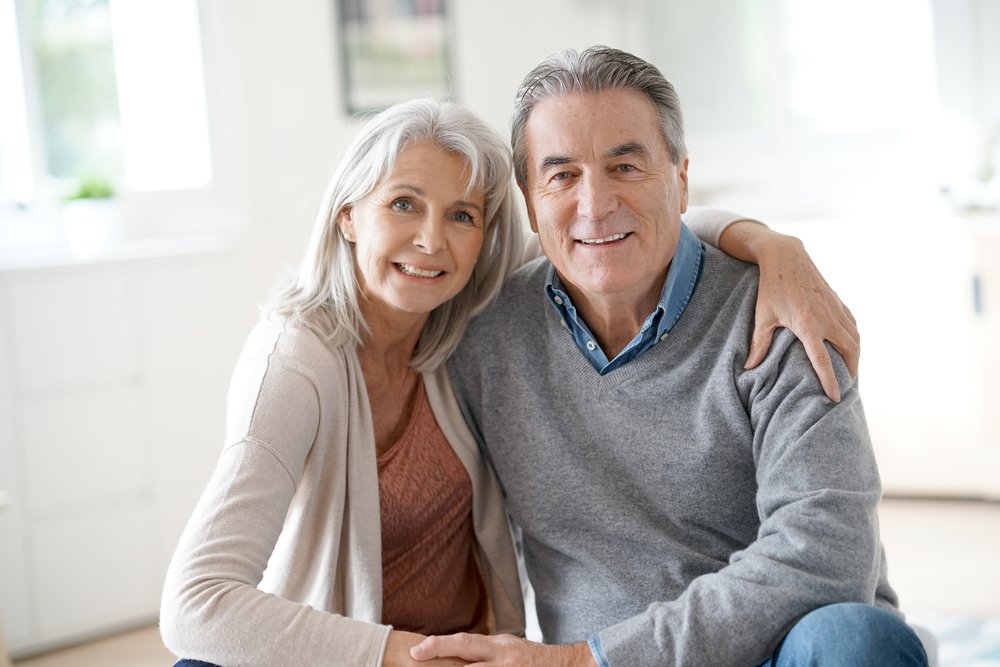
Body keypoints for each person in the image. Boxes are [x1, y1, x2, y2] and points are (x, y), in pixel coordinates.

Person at [159, 99, 861, 666]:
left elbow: (610, 232)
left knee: (858, 640)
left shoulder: (464, 313)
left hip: (488, 650)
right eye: (403, 204)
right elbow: (193, 603)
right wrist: (396, 654)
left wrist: (768, 243)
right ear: (347, 213)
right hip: (385, 655)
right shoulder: (295, 363)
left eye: (461, 215)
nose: (432, 239)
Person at [410, 47, 929, 667]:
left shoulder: (780, 313)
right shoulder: (483, 335)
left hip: (761, 654)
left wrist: (589, 659)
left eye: (625, 166)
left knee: (856, 643)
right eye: (562, 175)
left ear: (680, 181)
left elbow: (829, 554)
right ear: (529, 201)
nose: (595, 204)